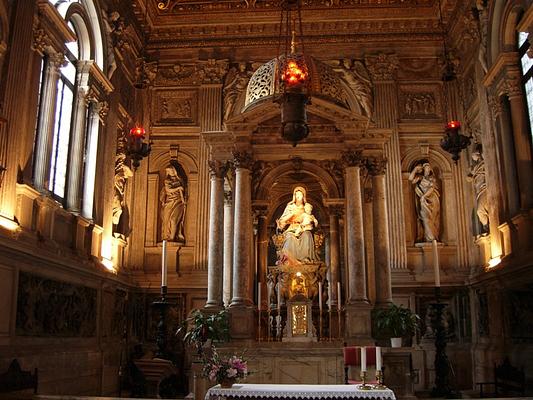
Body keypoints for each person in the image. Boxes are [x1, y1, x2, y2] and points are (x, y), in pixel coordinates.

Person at [276, 186, 319, 264]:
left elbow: (311, 219)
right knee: (290, 238)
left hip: (303, 228)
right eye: (296, 195)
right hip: (292, 228)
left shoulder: (306, 207)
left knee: (307, 235)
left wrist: (312, 221)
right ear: (294, 196)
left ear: (303, 196)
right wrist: (292, 214)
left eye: (300, 194)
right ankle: (289, 260)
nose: (298, 196)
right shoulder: (290, 207)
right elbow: (282, 221)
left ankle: (306, 259)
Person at [409, 162, 440, 242]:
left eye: (429, 168)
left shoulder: (432, 179)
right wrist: (415, 169)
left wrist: (424, 196)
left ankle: (433, 237)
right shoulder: (420, 178)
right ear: (423, 169)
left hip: (432, 199)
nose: (428, 169)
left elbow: (431, 189)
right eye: (426, 167)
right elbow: (410, 179)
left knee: (433, 219)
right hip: (423, 201)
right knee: (425, 217)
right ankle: (430, 238)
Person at [160, 166, 186, 242]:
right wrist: (178, 188)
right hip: (169, 202)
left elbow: (184, 190)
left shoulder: (180, 180)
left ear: (174, 171)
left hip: (179, 201)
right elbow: (168, 189)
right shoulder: (167, 181)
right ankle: (167, 236)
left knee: (173, 220)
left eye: (171, 171)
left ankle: (172, 237)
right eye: (169, 171)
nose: (170, 172)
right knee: (166, 220)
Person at [467, 144, 489, 232]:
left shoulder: (484, 163)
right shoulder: (475, 167)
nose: (474, 157)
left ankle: (487, 226)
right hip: (479, 189)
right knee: (481, 210)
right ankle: (487, 226)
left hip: (485, 187)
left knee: (480, 210)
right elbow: (469, 178)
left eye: (475, 154)